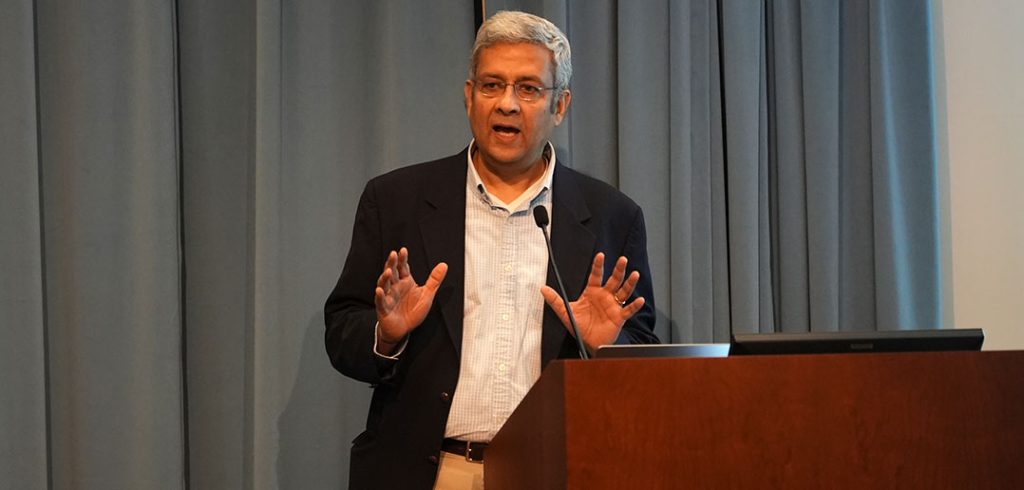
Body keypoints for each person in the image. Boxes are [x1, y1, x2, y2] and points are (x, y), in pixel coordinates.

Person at [325, 10, 659, 490]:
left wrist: (606, 347)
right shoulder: (396, 200)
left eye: (528, 89)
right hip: (430, 474)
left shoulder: (612, 216)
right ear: (468, 96)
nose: (506, 104)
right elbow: (341, 332)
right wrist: (387, 334)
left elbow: (643, 363)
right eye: (491, 85)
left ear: (560, 105)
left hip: (556, 472)